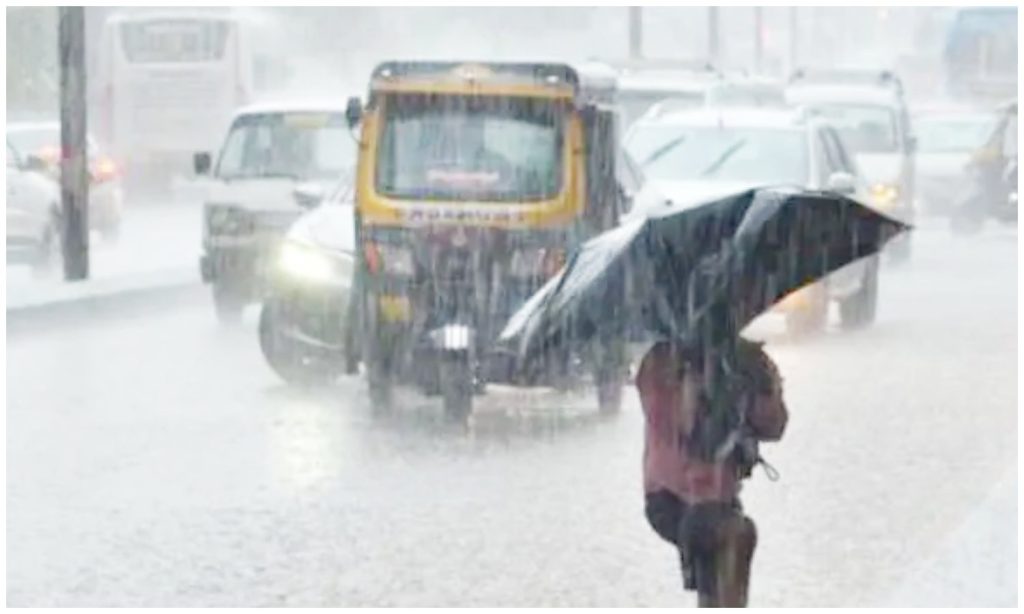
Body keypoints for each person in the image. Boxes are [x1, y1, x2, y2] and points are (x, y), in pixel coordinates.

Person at [636, 337, 788, 607]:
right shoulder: (661, 362)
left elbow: (774, 426)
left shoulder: (744, 357)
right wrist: (697, 379)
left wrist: (764, 384)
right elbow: (682, 424)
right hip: (672, 499)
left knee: (726, 563)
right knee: (736, 536)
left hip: (721, 498)